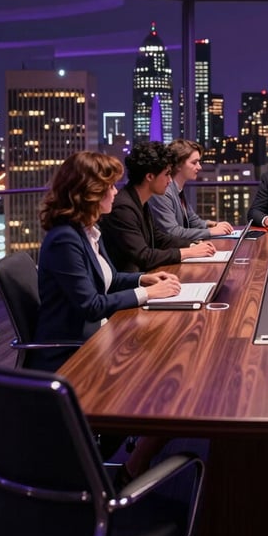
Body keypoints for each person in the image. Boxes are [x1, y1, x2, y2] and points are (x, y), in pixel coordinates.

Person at [33, 151, 182, 374]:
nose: (115, 192)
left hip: (97, 334)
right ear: (90, 192)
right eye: (110, 186)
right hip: (72, 352)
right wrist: (148, 293)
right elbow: (91, 306)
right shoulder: (64, 240)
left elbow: (109, 280)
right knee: (156, 360)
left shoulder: (88, 230)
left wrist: (144, 279)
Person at [101, 141, 217, 272]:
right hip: (131, 280)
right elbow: (144, 256)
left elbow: (158, 238)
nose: (170, 180)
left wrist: (192, 245)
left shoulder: (139, 201)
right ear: (150, 176)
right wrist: (187, 252)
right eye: (167, 174)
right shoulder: (123, 208)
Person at [149, 138, 234, 241]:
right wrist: (211, 232)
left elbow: (192, 220)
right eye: (194, 163)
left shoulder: (178, 189)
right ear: (178, 165)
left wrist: (212, 225)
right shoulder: (163, 192)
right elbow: (172, 232)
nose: (199, 167)